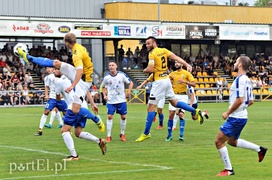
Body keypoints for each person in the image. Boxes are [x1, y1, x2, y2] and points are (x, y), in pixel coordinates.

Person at [17, 33, 96, 135]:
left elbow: (80, 71)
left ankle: (96, 119)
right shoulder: (79, 47)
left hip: (83, 81)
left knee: (76, 110)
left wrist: (72, 85)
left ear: (67, 43)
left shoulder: (76, 54)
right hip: (81, 76)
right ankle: (29, 57)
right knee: (56, 63)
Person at [135, 36, 204, 142]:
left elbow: (150, 69)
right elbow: (176, 57)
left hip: (159, 82)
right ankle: (195, 110)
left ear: (154, 43)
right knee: (175, 103)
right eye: (146, 44)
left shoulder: (152, 53)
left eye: (148, 43)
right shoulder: (164, 51)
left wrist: (144, 70)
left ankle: (146, 133)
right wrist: (186, 64)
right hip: (167, 80)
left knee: (150, 108)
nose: (147, 45)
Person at [215, 56, 267, 176]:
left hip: (236, 118)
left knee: (218, 141)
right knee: (232, 141)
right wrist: (241, 109)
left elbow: (239, 100)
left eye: (236, 61)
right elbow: (251, 101)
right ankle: (259, 149)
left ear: (239, 65)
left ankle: (228, 170)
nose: (234, 63)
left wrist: (228, 113)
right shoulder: (247, 79)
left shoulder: (240, 80)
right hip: (241, 116)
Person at [53, 68, 107, 160]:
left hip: (73, 107)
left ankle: (74, 156)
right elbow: (87, 91)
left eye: (56, 69)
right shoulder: (76, 79)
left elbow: (58, 99)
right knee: (78, 133)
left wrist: (59, 94)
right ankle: (99, 141)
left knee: (65, 130)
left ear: (62, 70)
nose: (54, 71)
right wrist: (93, 104)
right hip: (83, 106)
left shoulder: (59, 82)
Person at [165, 61, 209, 141]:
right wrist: (170, 84)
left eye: (178, 62)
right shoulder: (172, 74)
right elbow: (167, 81)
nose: (176, 64)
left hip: (183, 96)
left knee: (181, 114)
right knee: (171, 115)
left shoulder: (187, 74)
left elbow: (194, 84)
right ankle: (169, 135)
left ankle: (181, 135)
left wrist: (185, 81)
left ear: (182, 64)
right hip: (174, 96)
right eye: (175, 63)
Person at [101, 61, 133, 142]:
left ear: (116, 66)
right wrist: (105, 95)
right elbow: (103, 86)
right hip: (111, 100)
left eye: (112, 65)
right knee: (109, 116)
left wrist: (129, 92)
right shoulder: (107, 77)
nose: (111, 67)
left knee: (123, 117)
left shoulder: (121, 75)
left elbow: (130, 83)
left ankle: (122, 134)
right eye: (110, 65)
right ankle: (108, 136)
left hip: (121, 99)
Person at [34, 67, 67, 136]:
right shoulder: (48, 77)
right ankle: (40, 130)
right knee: (46, 112)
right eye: (47, 68)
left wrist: (63, 94)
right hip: (52, 97)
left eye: (50, 68)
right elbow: (46, 86)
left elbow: (65, 86)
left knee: (65, 113)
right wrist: (46, 95)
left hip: (61, 99)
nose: (49, 69)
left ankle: (67, 130)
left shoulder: (63, 76)